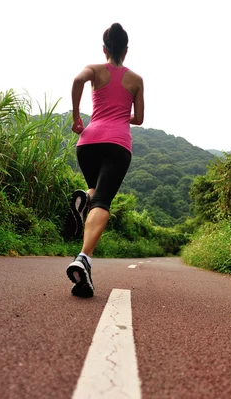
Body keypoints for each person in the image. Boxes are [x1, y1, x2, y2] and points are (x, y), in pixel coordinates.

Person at [66, 22, 144, 298]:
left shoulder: (95, 70)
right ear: (126, 50)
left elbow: (77, 81)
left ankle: (85, 200)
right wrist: (122, 115)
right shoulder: (135, 80)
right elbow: (139, 119)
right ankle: (84, 258)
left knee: (95, 192)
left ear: (104, 48)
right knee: (104, 202)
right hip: (117, 144)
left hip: (87, 142)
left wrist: (77, 117)